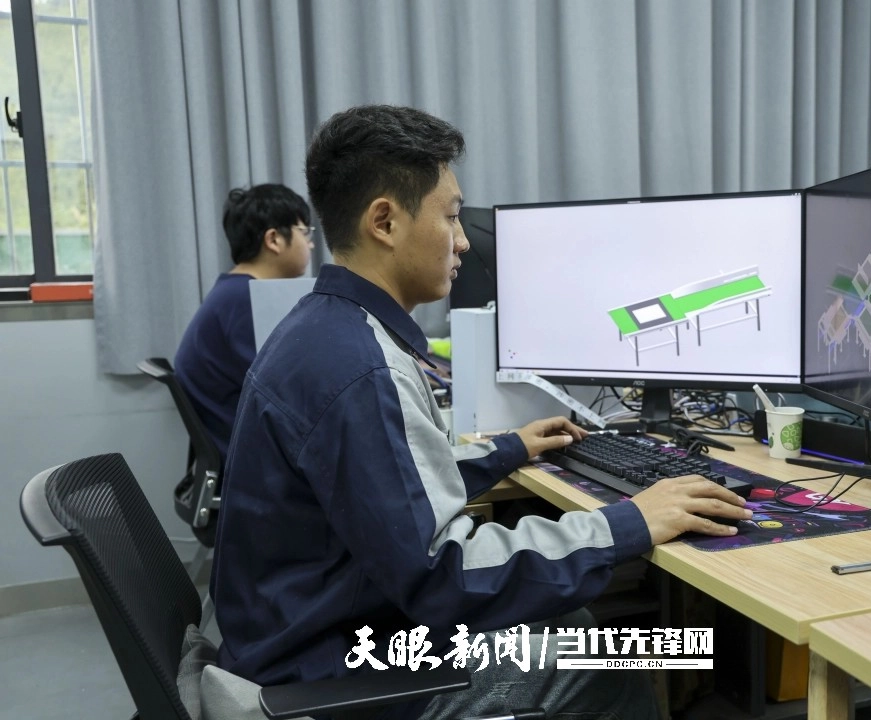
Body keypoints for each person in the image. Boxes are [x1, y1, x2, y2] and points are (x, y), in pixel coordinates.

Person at [210, 105, 751, 720]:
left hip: (317, 632)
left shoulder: (327, 330)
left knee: (578, 622)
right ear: (385, 221)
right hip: (339, 676)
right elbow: (445, 575)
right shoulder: (359, 368)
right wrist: (628, 523)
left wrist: (508, 450)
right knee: (616, 662)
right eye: (451, 216)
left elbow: (391, 491)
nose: (464, 240)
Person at [173, 183, 314, 463]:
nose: (310, 243)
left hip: (240, 449)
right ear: (274, 239)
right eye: (305, 232)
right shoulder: (245, 301)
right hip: (253, 461)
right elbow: (285, 393)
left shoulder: (232, 292)